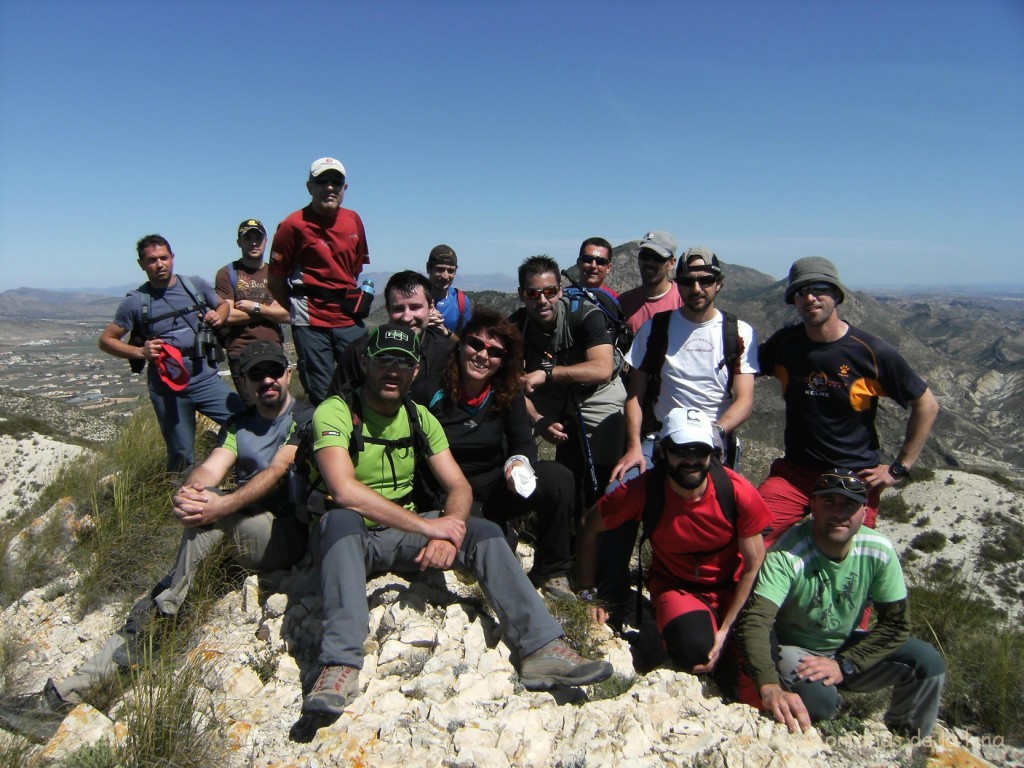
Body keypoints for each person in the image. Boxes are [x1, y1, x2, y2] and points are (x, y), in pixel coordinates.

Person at [0, 341, 312, 741]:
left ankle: (166, 608)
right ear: (246, 384)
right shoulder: (238, 425)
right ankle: (64, 696)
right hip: (239, 527)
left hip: (285, 534)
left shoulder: (306, 417)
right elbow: (210, 470)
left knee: (207, 522)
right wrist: (190, 492)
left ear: (287, 373)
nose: (267, 380)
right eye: (257, 374)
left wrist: (221, 505)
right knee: (203, 509)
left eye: (274, 371)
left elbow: (278, 470)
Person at [302, 324, 613, 715]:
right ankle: (339, 665)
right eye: (384, 360)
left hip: (400, 533)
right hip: (345, 538)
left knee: (481, 532)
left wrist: (448, 530)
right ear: (365, 363)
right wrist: (427, 526)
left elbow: (459, 487)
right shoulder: (337, 410)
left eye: (404, 362)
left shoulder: (417, 416)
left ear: (415, 370)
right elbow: (343, 490)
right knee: (342, 519)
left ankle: (542, 646)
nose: (393, 370)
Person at [736, 469, 945, 737]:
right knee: (819, 702)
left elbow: (896, 624)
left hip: (841, 649)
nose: (839, 513)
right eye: (829, 503)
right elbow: (756, 620)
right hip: (794, 650)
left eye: (849, 505)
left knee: (925, 661)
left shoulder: (878, 551)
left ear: (863, 512)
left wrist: (846, 663)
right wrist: (767, 683)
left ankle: (909, 740)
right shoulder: (787, 554)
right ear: (813, 506)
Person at [578, 408, 770, 684]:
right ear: (663, 452)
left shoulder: (737, 492)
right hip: (676, 586)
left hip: (731, 585)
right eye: (681, 451)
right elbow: (590, 524)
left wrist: (726, 629)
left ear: (712, 455)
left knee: (755, 655)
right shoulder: (643, 491)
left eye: (700, 451)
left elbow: (754, 566)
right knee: (697, 650)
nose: (691, 461)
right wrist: (587, 592)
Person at [758, 257, 939, 545]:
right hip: (795, 474)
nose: (810, 297)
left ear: (836, 294)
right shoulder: (784, 345)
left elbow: (926, 404)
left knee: (849, 559)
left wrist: (899, 468)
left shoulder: (870, 351)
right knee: (750, 536)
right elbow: (744, 371)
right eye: (800, 292)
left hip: (853, 477)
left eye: (819, 288)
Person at [420, 307, 577, 601]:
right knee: (494, 548)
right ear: (461, 344)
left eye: (494, 351)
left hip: (496, 489)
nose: (482, 355)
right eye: (476, 344)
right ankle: (501, 536)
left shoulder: (507, 393)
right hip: (450, 496)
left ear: (503, 361)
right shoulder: (432, 390)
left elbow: (522, 441)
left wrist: (517, 464)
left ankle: (554, 570)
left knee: (558, 478)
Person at [99, 234, 244, 472]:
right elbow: (106, 340)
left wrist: (220, 315)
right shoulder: (135, 302)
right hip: (167, 387)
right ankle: (181, 498)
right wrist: (139, 351)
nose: (159, 264)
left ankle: (221, 465)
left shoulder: (195, 285)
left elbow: (222, 305)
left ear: (173, 258)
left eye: (164, 258)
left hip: (204, 377)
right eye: (152, 260)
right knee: (181, 453)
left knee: (244, 422)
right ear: (141, 264)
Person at [613, 246, 758, 479]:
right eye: (688, 281)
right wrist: (634, 447)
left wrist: (715, 433)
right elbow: (634, 396)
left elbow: (745, 400)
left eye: (706, 280)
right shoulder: (654, 329)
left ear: (718, 283)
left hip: (714, 439)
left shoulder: (739, 333)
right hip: (662, 439)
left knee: (719, 508)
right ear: (678, 284)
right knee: (618, 495)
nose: (696, 288)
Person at [509, 256, 626, 514]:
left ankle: (596, 518)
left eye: (550, 292)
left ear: (560, 290)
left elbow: (603, 369)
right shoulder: (516, 326)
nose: (542, 300)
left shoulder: (585, 314)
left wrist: (547, 373)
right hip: (548, 392)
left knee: (603, 466)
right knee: (507, 421)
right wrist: (537, 418)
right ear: (521, 294)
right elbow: (512, 383)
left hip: (595, 391)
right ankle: (517, 502)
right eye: (533, 293)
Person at [268, 157, 370, 405]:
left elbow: (353, 270)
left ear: (345, 187)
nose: (330, 187)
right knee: (323, 392)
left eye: (337, 181)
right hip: (310, 320)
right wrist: (297, 308)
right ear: (309, 187)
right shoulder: (293, 225)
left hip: (347, 316)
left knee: (363, 381)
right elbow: (276, 279)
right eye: (322, 181)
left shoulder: (353, 220)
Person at [331, 270, 456, 405]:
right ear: (388, 309)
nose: (407, 317)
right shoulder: (360, 351)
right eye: (398, 309)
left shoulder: (446, 352)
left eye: (415, 307)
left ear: (431, 307)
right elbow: (336, 404)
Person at [215, 219, 288, 401]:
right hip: (241, 351)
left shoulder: (277, 273)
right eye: (248, 238)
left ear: (266, 241)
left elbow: (288, 314)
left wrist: (253, 307)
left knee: (277, 406)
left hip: (274, 349)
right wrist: (268, 312)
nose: (254, 242)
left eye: (258, 237)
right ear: (239, 242)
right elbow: (228, 315)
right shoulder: (227, 273)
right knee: (252, 407)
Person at [617, 231, 683, 334]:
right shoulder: (623, 302)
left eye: (658, 258)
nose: (650, 263)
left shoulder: (683, 300)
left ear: (671, 263)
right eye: (645, 256)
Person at [425, 244, 472, 337]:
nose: (445, 276)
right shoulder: (414, 299)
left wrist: (446, 332)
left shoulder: (461, 302)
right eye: (440, 269)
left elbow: (466, 343)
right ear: (428, 268)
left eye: (450, 271)